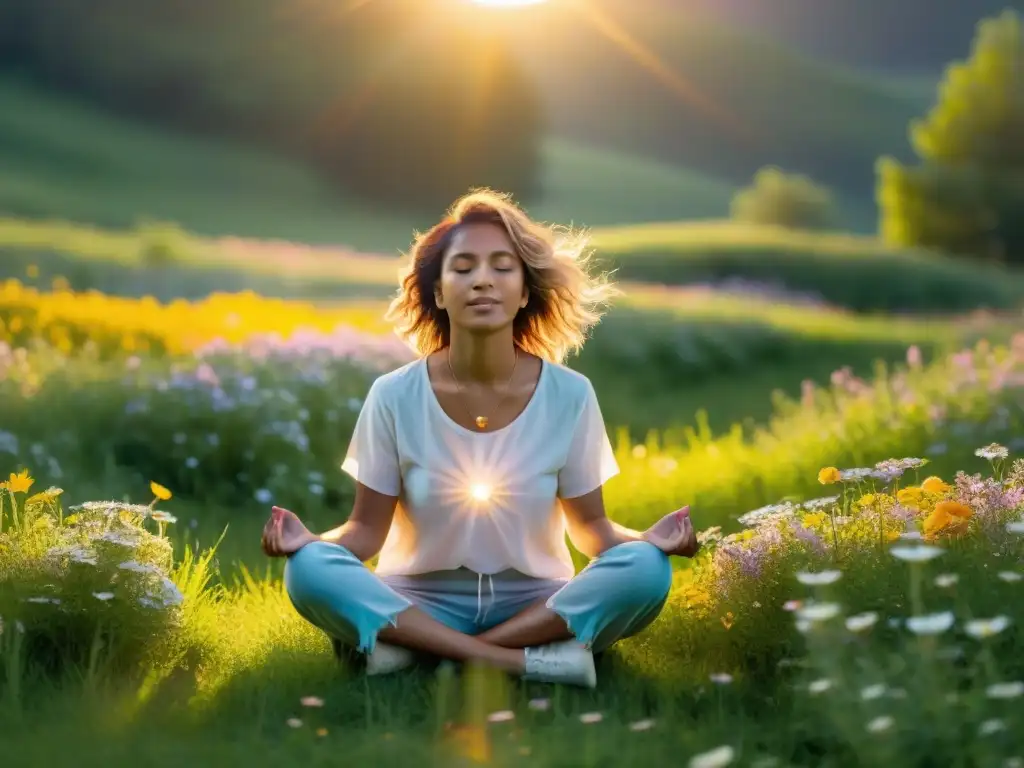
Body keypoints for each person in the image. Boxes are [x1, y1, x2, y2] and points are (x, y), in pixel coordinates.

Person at [261, 189, 700, 689]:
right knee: (309, 570)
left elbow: (591, 528)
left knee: (646, 570)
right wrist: (312, 543)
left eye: (502, 267)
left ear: (525, 290)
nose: (483, 280)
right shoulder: (393, 395)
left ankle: (417, 651)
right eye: (463, 268)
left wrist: (649, 541)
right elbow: (365, 532)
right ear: (439, 292)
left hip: (535, 601)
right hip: (419, 598)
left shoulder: (571, 394)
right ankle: (526, 661)